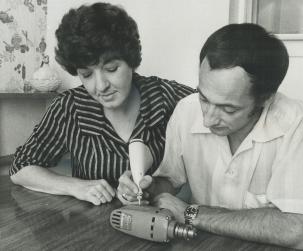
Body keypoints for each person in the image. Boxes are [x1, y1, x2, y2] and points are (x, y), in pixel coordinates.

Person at [118, 23, 303, 250]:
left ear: (265, 99)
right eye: (204, 98)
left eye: (228, 109)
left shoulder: (296, 122)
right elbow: (170, 180)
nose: (207, 120)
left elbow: (295, 230)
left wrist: (190, 213)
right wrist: (147, 190)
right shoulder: (186, 110)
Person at [9, 2, 194, 206]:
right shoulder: (69, 108)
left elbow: (216, 106)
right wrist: (76, 186)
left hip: (161, 226)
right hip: (92, 230)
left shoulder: (165, 96)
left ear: (131, 61)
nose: (101, 86)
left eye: (112, 69)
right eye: (86, 74)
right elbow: (21, 167)